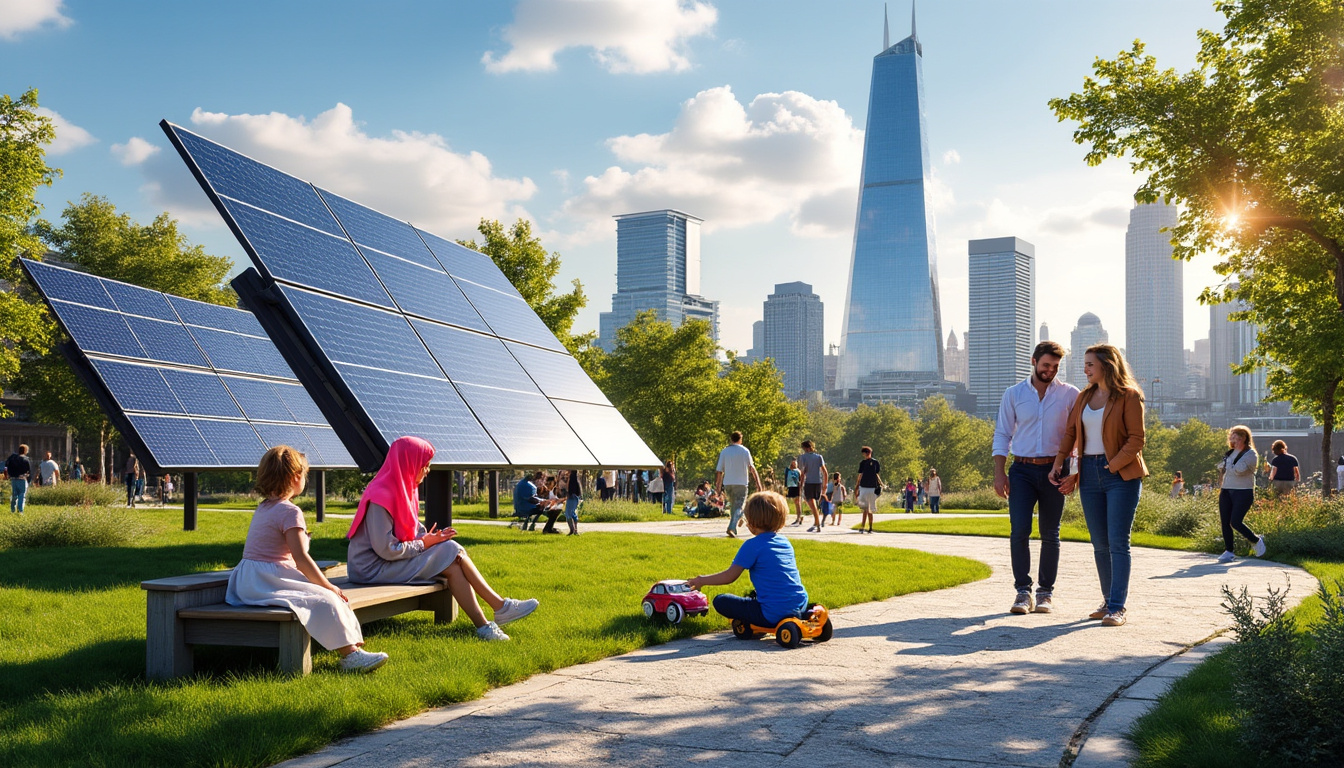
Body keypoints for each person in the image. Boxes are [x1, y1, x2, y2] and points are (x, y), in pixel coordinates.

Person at [348, 437, 539, 641]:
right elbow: (385, 548)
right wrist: (425, 543)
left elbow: (409, 530)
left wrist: (431, 538)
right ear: (409, 463)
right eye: (425, 465)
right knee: (450, 550)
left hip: (388, 562)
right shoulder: (381, 495)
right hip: (371, 569)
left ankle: (485, 625)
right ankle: (500, 607)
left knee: (452, 563)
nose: (427, 470)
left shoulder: (402, 488)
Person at [226, 445, 388, 672]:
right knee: (326, 599)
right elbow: (301, 558)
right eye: (305, 475)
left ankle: (350, 646)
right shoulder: (291, 512)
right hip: (268, 580)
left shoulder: (264, 508)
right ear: (295, 477)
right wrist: (329, 585)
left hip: (248, 580)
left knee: (323, 596)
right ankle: (350, 656)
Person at [1051, 344, 1147, 628]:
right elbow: (1070, 433)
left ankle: (1117, 607)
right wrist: (1060, 463)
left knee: (1118, 543)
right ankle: (1108, 601)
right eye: (1085, 364)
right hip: (1089, 473)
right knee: (1099, 543)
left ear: (1107, 364)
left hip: (1121, 474)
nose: (1085, 369)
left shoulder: (1129, 396)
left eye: (1090, 364)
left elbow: (1136, 439)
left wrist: (1113, 464)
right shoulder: (1084, 397)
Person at [995, 340, 1079, 616]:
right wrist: (999, 472)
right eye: (1046, 365)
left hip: (1056, 470)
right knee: (1019, 531)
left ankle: (1045, 593)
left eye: (1055, 367)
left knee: (1050, 533)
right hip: (1021, 471)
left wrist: (1074, 472)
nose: (1050, 371)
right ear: (1033, 362)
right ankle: (1022, 592)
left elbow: (1078, 437)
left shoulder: (1070, 395)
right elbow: (1003, 434)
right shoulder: (1014, 394)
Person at [687, 492, 809, 631]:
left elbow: (729, 577)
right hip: (800, 603)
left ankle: (763, 617)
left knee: (721, 601)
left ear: (751, 522)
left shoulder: (752, 545)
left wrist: (701, 580)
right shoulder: (785, 542)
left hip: (773, 613)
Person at [1216, 426, 1265, 563]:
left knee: (1235, 522)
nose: (1233, 441)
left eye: (1236, 438)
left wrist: (1228, 464)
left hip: (1243, 492)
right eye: (1232, 438)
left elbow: (1240, 470)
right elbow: (1223, 467)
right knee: (1225, 521)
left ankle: (1255, 540)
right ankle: (1229, 551)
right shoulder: (1231, 453)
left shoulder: (1251, 454)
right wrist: (1226, 465)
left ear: (1244, 438)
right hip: (1226, 490)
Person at [715, 431, 763, 538]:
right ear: (740, 439)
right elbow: (752, 468)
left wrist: (718, 486)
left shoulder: (725, 451)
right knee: (740, 506)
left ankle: (735, 526)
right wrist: (758, 483)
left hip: (728, 483)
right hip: (741, 483)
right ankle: (732, 526)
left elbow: (719, 471)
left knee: (734, 506)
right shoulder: (745, 451)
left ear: (731, 439)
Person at [797, 440, 828, 532]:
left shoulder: (803, 457)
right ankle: (816, 521)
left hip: (809, 482)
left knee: (811, 502)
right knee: (814, 502)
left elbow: (802, 472)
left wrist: (801, 483)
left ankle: (818, 523)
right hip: (818, 482)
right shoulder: (819, 457)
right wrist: (825, 484)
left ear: (806, 448)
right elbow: (825, 472)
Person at [854, 447, 883, 534]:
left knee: (870, 509)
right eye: (864, 453)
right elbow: (860, 475)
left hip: (872, 487)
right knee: (864, 508)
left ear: (869, 453)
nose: (865, 455)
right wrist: (857, 486)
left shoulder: (875, 463)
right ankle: (863, 526)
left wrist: (881, 483)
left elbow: (876, 474)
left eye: (866, 453)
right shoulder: (862, 463)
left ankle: (870, 527)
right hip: (863, 486)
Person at [5, 444, 32, 514]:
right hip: (22, 479)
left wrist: (6, 475)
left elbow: (6, 466)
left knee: (14, 495)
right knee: (22, 495)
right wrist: (29, 480)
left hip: (13, 479)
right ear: (25, 451)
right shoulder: (26, 459)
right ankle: (20, 510)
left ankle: (12, 509)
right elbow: (28, 471)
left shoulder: (12, 458)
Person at [563, 469, 583, 536]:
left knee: (568, 513)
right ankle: (575, 530)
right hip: (575, 498)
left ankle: (572, 529)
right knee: (573, 513)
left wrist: (568, 495)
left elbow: (569, 489)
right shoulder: (576, 479)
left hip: (571, 498)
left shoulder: (572, 479)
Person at [783, 460, 803, 525]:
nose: (793, 465)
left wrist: (801, 487)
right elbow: (785, 477)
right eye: (792, 463)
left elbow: (801, 480)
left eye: (795, 464)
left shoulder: (798, 471)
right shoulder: (787, 470)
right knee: (785, 502)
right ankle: (784, 517)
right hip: (789, 487)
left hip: (796, 487)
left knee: (797, 502)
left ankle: (799, 517)